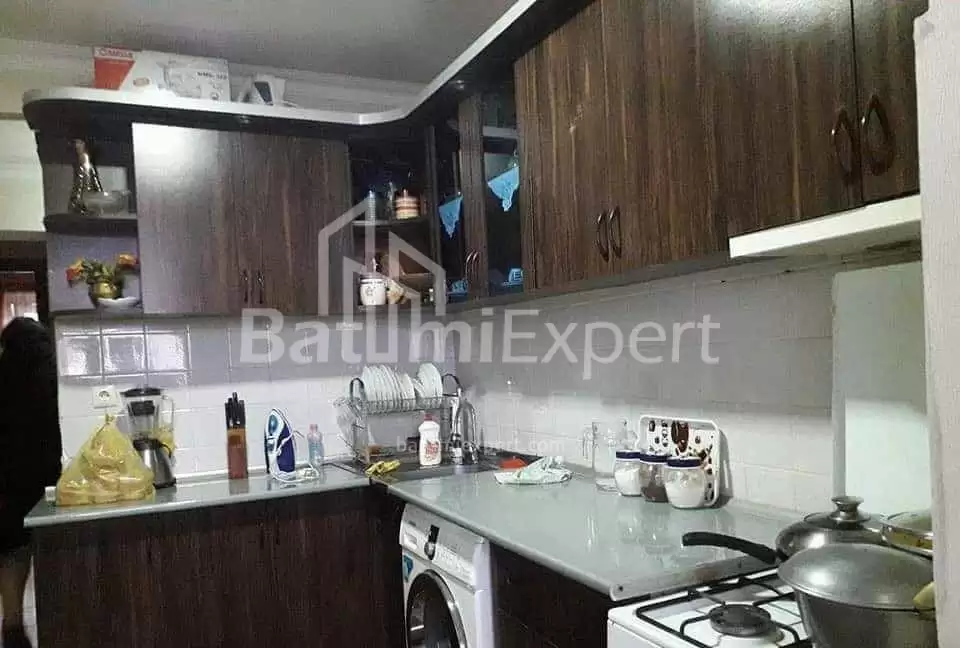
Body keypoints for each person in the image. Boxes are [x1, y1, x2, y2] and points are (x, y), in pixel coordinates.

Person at [0, 318, 61, 648]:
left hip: (7, 478)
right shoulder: (48, 372)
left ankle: (12, 621)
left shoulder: (4, 373)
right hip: (43, 474)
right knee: (46, 547)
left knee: (11, 549)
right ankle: (55, 617)